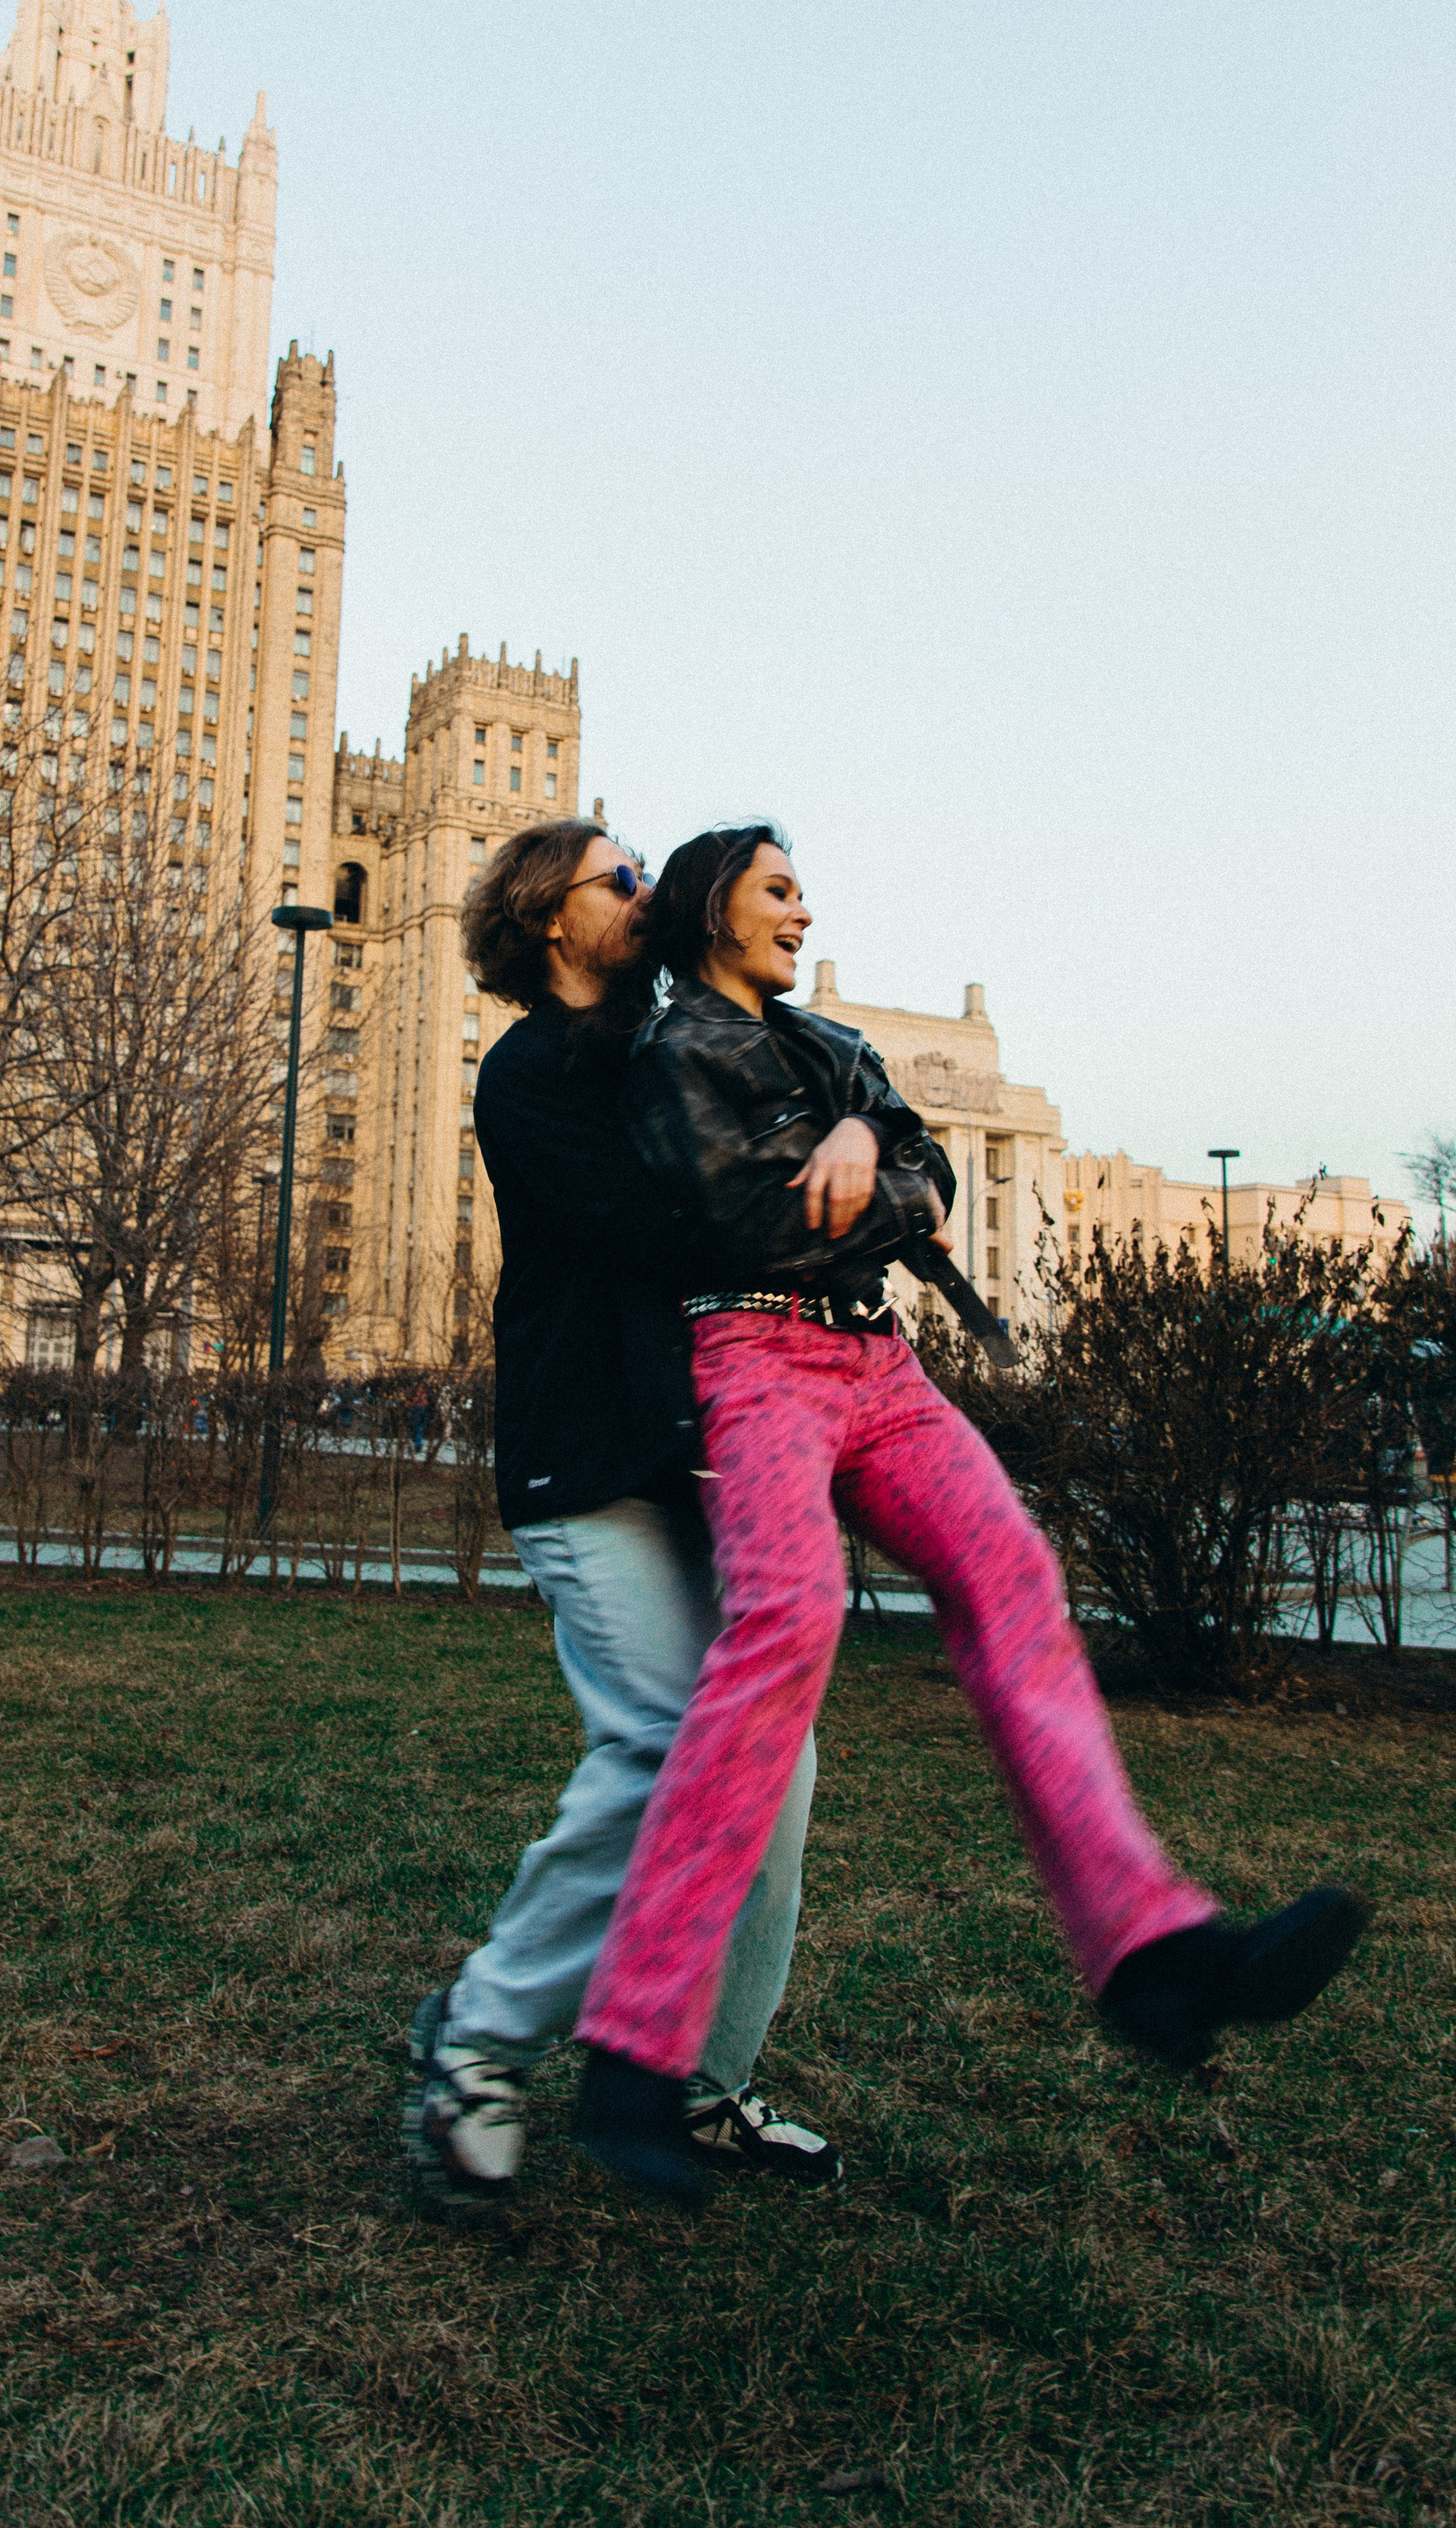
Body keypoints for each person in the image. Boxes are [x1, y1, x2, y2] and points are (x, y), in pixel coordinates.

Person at [571, 824, 1369, 2205]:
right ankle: (637, 2054)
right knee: (789, 1626)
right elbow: (755, 1223)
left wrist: (866, 1139)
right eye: (777, 889)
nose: (802, 909)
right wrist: (872, 1176)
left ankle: (1154, 1958)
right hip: (750, 1359)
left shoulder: (833, 1049)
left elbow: (925, 1177)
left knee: (1014, 1577)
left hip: (881, 1368)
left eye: (803, 891)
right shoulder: (670, 1054)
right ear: (713, 908)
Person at [401, 817, 841, 2202]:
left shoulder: (669, 1044)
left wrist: (846, 1130)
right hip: (582, 1457)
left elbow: (790, 1108)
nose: (649, 895)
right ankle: (474, 2049)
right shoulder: (530, 1073)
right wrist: (815, 1197)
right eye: (622, 878)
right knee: (663, 1744)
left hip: (692, 1453)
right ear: (550, 918)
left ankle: (704, 2083)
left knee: (776, 1765)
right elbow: (666, 1228)